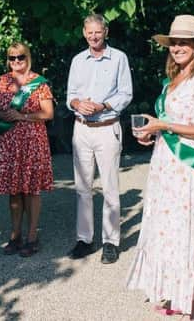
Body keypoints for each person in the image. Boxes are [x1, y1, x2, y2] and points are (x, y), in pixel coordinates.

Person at [125, 15, 194, 321]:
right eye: (173, 42)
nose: (177, 47)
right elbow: (170, 127)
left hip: (190, 167)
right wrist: (152, 134)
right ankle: (176, 294)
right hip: (165, 164)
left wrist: (163, 124)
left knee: (189, 231)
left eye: (184, 42)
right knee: (166, 230)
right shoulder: (173, 80)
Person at [66, 13, 133, 264]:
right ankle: (84, 239)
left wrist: (103, 106)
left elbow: (126, 93)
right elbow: (70, 94)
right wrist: (77, 103)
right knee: (82, 187)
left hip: (107, 126)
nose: (94, 36)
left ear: (106, 32)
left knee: (110, 187)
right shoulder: (77, 61)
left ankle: (111, 241)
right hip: (81, 128)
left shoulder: (119, 58)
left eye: (98, 32)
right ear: (84, 33)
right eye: (89, 32)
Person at [0, 42, 54, 258]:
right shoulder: (3, 82)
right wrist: (0, 115)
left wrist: (23, 117)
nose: (16, 61)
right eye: (12, 58)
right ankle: (15, 235)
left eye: (21, 57)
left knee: (32, 189)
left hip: (32, 142)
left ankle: (32, 236)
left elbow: (48, 113)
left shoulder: (38, 83)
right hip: (9, 142)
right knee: (14, 190)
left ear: (28, 57)